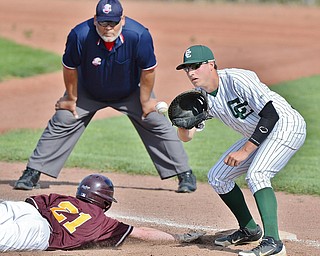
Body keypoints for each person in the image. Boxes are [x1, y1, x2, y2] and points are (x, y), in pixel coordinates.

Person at [13, 0, 196, 193]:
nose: (108, 28)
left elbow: (148, 69)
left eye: (113, 22)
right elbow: (69, 67)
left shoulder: (139, 35)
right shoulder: (80, 34)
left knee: (155, 119)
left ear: (122, 20)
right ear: (95, 20)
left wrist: (146, 100)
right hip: (89, 91)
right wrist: (71, 97)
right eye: (103, 22)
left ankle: (184, 173)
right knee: (63, 117)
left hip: (130, 91)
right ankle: (32, 172)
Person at [175, 45, 306, 256]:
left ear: (211, 65)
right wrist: (182, 124)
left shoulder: (237, 80)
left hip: (286, 126)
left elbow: (271, 115)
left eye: (195, 66)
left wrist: (245, 151)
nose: (191, 73)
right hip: (259, 134)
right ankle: (249, 229)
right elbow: (187, 138)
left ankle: (274, 243)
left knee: (258, 174)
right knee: (218, 177)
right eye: (187, 68)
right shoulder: (201, 97)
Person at [1, 173, 204, 252]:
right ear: (104, 201)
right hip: (39, 231)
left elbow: (32, 204)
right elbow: (142, 233)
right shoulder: (103, 222)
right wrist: (179, 238)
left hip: (25, 210)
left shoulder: (63, 199)